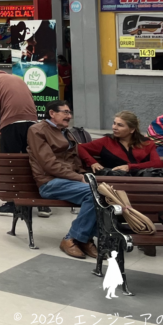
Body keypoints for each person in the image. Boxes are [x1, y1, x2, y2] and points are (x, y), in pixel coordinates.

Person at [79, 111, 163, 259]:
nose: (114, 127)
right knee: (145, 198)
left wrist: (130, 167)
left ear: (132, 129)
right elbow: (80, 148)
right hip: (118, 190)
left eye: (120, 125)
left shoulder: (146, 143)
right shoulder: (106, 141)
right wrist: (92, 162)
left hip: (143, 186)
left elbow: (158, 163)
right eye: (114, 123)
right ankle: (145, 237)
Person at [27, 100, 99, 260]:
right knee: (93, 193)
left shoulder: (67, 132)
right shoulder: (37, 130)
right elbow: (49, 164)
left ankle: (83, 239)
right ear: (52, 113)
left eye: (70, 113)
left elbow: (75, 159)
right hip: (49, 182)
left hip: (69, 181)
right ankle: (73, 239)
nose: (69, 116)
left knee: (101, 193)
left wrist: (83, 174)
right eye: (65, 112)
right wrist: (79, 177)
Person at [0, 71, 44, 217]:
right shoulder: (15, 78)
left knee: (10, 164)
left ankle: (12, 204)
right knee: (33, 162)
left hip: (12, 125)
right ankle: (41, 203)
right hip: (33, 123)